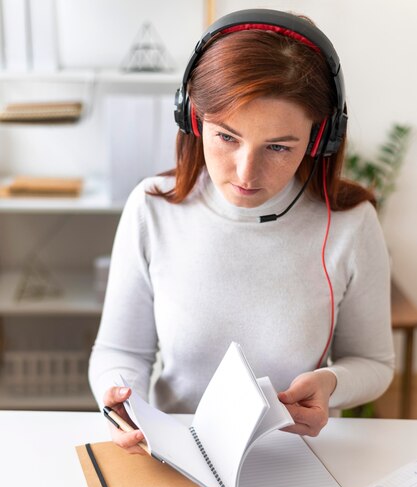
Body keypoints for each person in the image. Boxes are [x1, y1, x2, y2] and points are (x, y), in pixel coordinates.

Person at [89, 9, 395, 453]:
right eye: (226, 137)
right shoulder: (152, 208)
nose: (245, 173)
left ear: (319, 138)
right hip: (178, 454)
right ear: (193, 119)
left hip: (297, 458)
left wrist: (332, 383)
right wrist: (119, 399)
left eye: (277, 147)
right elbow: (121, 351)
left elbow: (374, 363)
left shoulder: (350, 222)